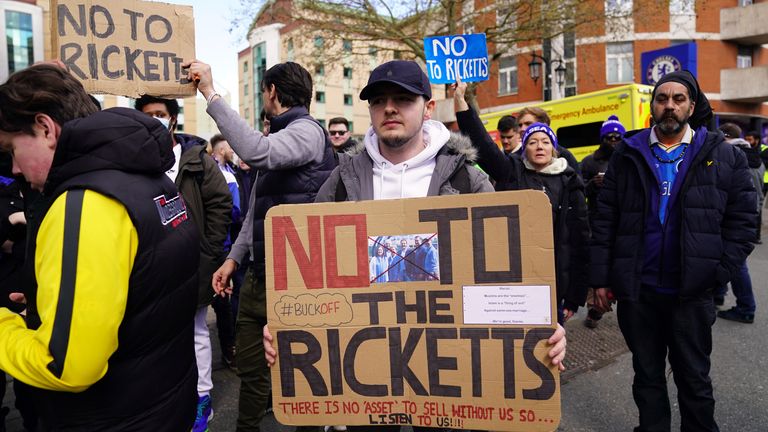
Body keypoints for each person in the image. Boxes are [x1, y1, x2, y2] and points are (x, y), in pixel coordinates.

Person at [263, 60, 568, 432]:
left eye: (403, 98)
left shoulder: (467, 181)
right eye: (379, 100)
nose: (389, 108)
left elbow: (504, 274)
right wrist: (287, 324)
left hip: (445, 380)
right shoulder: (339, 183)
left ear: (427, 107)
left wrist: (537, 325)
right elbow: (310, 279)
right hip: (365, 377)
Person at [0, 64, 199, 430]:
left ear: (45, 128)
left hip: (112, 417)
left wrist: (5, 327)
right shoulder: (151, 180)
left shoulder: (83, 202)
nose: (13, 167)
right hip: (164, 403)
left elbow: (66, 367)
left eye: (13, 148)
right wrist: (55, 305)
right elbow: (144, 290)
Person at [590, 71, 757, 432]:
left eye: (678, 99)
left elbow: (744, 222)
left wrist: (716, 272)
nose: (670, 105)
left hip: (691, 294)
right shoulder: (628, 154)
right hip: (640, 293)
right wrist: (601, 279)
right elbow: (606, 220)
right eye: (662, 98)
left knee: (694, 380)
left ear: (691, 106)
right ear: (652, 106)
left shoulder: (723, 156)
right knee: (647, 377)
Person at [183, 59, 337, 432]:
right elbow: (257, 211)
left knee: (302, 376)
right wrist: (234, 260)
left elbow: (255, 151)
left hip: (297, 281)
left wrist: (210, 92)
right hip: (258, 278)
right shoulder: (283, 136)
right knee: (253, 374)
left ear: (271, 91)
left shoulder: (307, 132)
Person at [455, 82, 590, 325]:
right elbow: (483, 144)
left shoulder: (570, 182)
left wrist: (574, 297)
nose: (539, 146)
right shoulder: (511, 172)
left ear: (554, 149)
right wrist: (462, 106)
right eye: (532, 142)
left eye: (545, 142)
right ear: (524, 148)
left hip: (553, 279)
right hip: (515, 277)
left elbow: (579, 240)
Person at [135, 95, 232, 431]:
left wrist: (208, 248)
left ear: (173, 119)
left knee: (195, 330)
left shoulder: (197, 161)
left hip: (194, 263)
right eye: (148, 115)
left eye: (160, 114)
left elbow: (221, 204)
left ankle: (201, 397)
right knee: (155, 334)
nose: (155, 120)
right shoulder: (135, 161)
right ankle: (165, 397)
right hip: (151, 266)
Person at [580, 114, 626, 328]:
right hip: (596, 221)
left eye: (618, 138)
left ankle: (608, 303)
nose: (614, 142)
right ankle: (594, 308)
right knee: (596, 265)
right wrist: (593, 183)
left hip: (624, 223)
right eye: (609, 138)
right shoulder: (589, 161)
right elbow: (579, 191)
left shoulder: (628, 160)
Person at [711, 123, 758, 324]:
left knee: (737, 265)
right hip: (745, 215)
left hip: (735, 217)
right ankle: (719, 295)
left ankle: (746, 308)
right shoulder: (750, 154)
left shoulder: (734, 155)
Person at [743, 129, 765, 244]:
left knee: (757, 208)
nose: (747, 142)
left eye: (750, 140)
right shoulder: (744, 151)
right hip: (755, 184)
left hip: (762, 184)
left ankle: (756, 235)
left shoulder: (763, 152)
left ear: (756, 140)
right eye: (746, 139)